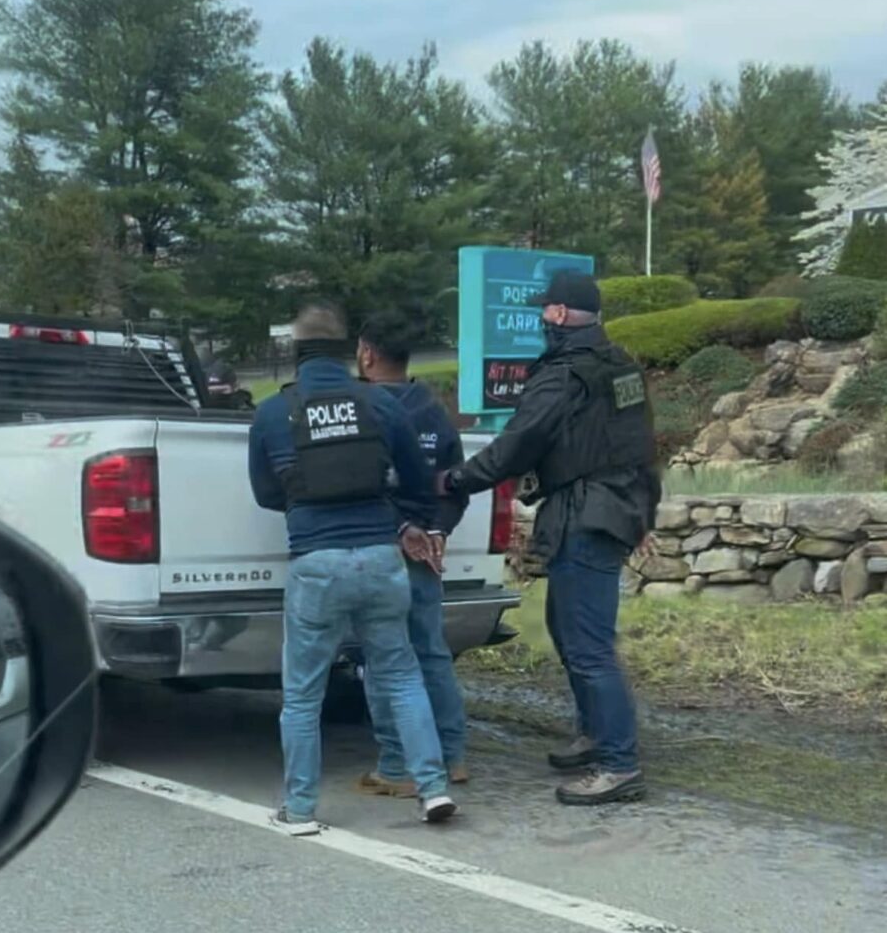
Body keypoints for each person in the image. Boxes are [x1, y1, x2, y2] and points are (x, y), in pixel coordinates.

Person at [439, 270, 660, 806]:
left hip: (587, 516)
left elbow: (518, 443)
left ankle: (618, 764)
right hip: (615, 508)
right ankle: (595, 735)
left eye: (546, 311)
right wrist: (645, 513)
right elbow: (638, 443)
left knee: (587, 645)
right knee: (568, 630)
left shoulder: (564, 375)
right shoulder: (620, 366)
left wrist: (457, 480)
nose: (542, 318)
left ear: (558, 314)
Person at [248, 302, 457, 834]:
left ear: (295, 355)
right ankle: (432, 789)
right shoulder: (379, 404)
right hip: (380, 561)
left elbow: (265, 491)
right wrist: (406, 519)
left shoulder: (274, 412)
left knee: (302, 695)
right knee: (402, 675)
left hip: (317, 562)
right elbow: (416, 479)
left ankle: (298, 811)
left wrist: (307, 505)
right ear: (349, 354)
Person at [355, 311, 470, 796]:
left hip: (380, 546)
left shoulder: (362, 407)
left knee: (384, 658)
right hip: (426, 551)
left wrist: (401, 527)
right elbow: (454, 482)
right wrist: (437, 529)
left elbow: (357, 482)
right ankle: (453, 754)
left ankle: (394, 763)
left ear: (366, 355)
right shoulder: (432, 409)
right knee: (431, 652)